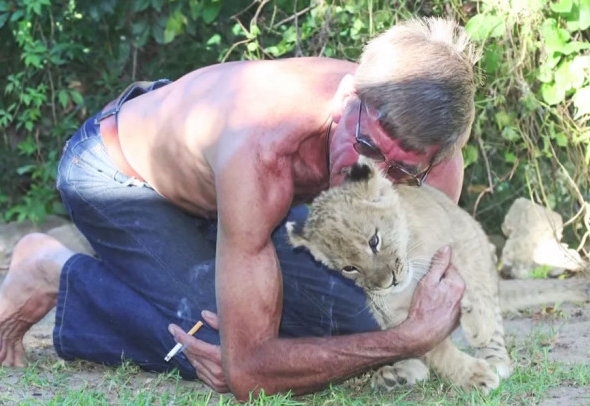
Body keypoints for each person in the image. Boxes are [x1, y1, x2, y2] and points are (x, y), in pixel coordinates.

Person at [0, 17, 478, 400]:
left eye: (401, 171)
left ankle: (182, 264)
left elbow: (415, 295)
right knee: (214, 346)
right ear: (347, 97)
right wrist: (404, 342)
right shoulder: (263, 144)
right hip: (119, 175)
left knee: (349, 319)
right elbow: (249, 373)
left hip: (232, 198)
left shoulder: (434, 163)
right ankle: (55, 271)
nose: (372, 175)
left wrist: (411, 324)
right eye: (366, 147)